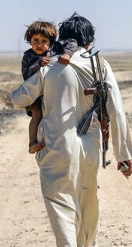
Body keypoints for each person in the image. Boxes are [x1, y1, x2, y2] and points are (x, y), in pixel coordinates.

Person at [11, 13, 132, 247]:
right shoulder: (100, 64)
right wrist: (124, 156)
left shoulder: (49, 65)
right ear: (88, 41)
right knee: (85, 199)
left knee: (60, 203)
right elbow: (117, 111)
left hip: (56, 145)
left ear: (62, 37)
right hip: (90, 146)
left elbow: (19, 99)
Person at [21, 20, 78, 154]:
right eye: (35, 40)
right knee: (37, 114)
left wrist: (67, 54)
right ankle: (32, 143)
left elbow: (72, 42)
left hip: (51, 93)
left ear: (51, 42)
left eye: (44, 41)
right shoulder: (28, 57)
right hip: (34, 94)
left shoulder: (55, 49)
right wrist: (38, 65)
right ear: (30, 41)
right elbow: (26, 76)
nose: (39, 44)